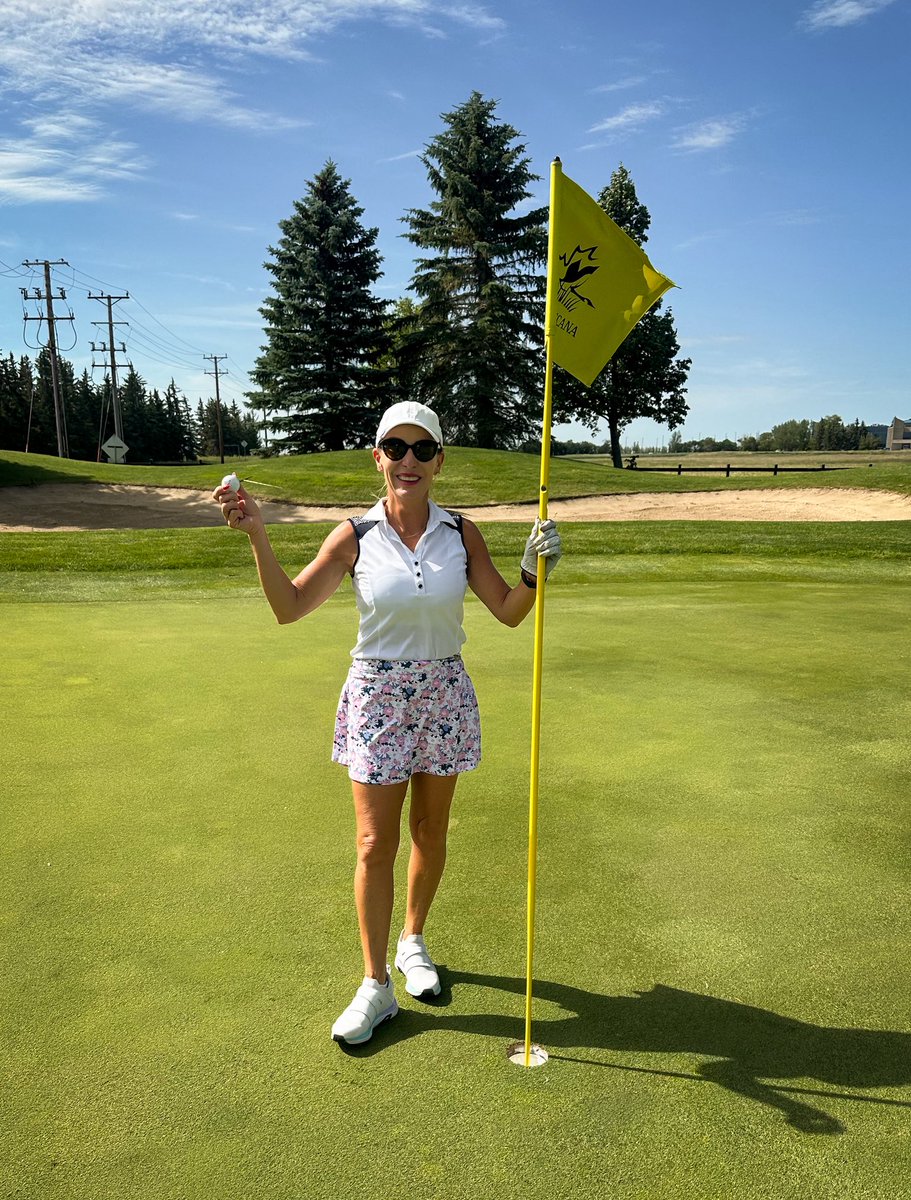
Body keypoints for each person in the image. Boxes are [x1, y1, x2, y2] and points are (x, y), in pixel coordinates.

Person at [213, 401, 562, 1046]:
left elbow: (510, 612)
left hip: (444, 690)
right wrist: (258, 533)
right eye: (394, 448)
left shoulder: (461, 533)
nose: (408, 461)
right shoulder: (355, 534)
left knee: (430, 829)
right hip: (378, 694)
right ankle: (375, 985)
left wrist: (533, 572)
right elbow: (289, 606)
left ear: (439, 461)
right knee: (375, 843)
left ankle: (413, 942)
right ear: (377, 457)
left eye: (421, 449)